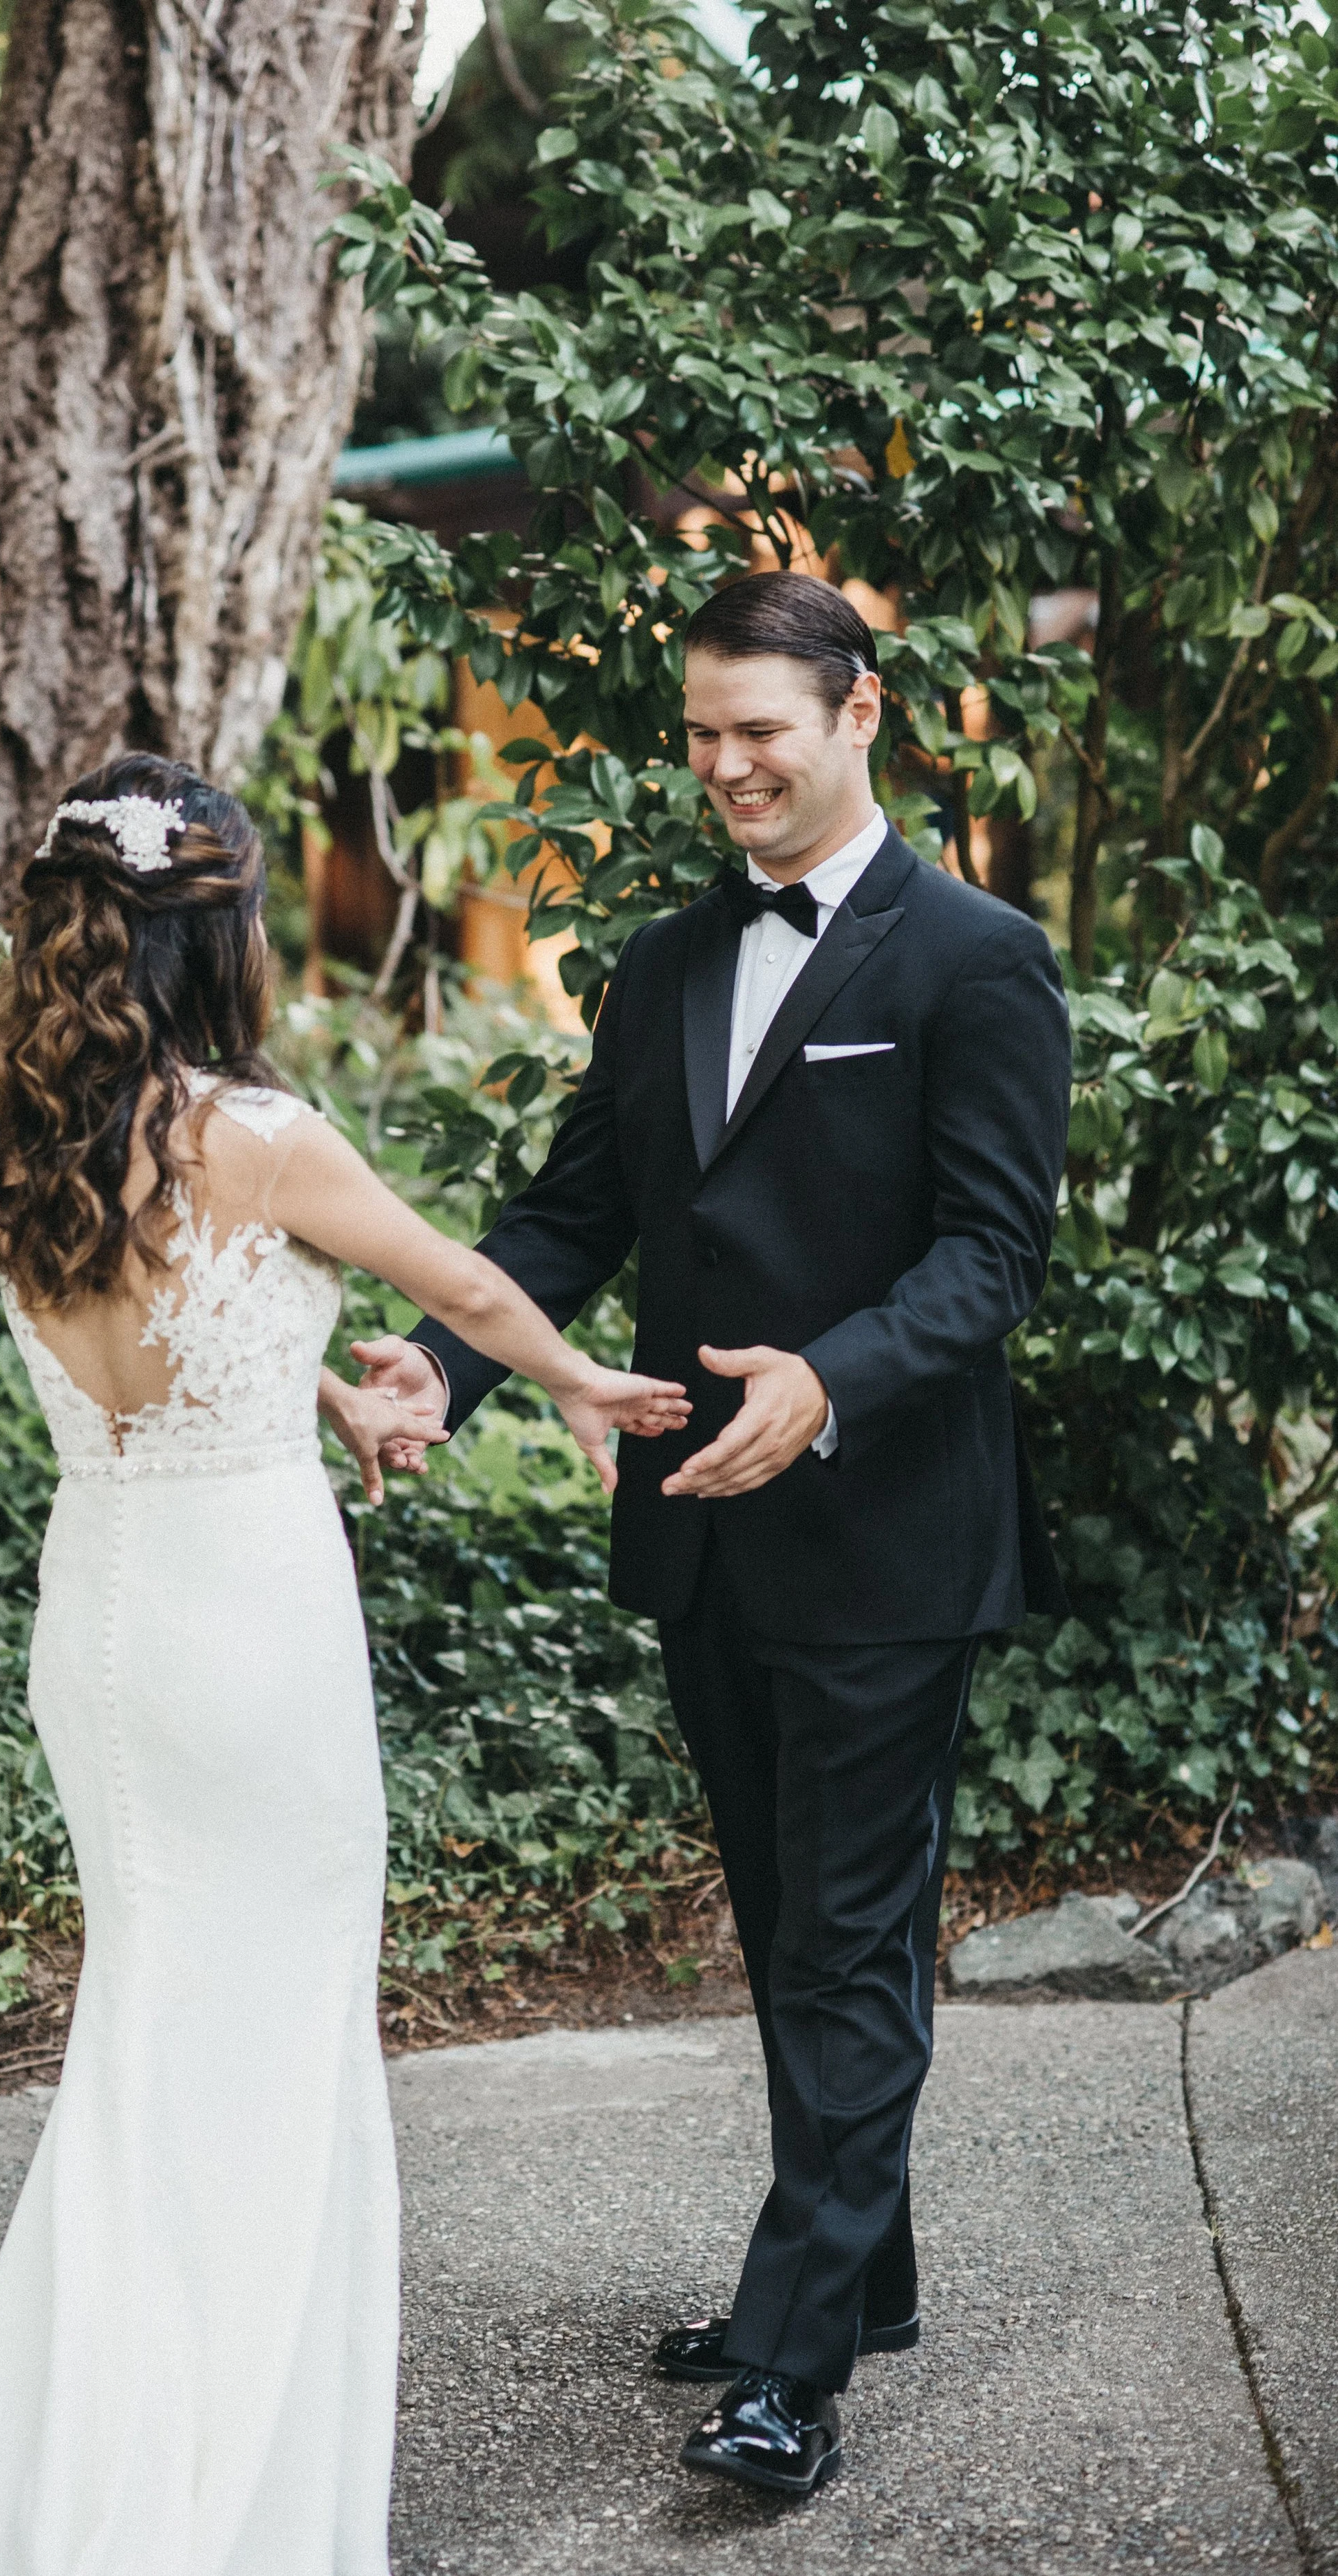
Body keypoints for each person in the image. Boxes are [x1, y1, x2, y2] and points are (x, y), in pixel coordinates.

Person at [0, 753, 687, 2576]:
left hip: (106, 1617)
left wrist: (302, 1379)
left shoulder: (31, 1124)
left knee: (151, 2030)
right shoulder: (259, 1135)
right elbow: (458, 1288)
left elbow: (146, 1343)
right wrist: (582, 1385)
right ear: (218, 927)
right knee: (272, 2039)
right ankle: (228, 2500)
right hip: (249, 1622)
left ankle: (112, 2445)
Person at [358, 571, 1072, 2499]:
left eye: (760, 728)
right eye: (700, 734)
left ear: (858, 717)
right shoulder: (662, 963)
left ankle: (794, 2368)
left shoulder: (974, 959)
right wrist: (441, 1367)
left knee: (842, 1943)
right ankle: (864, 2268)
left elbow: (991, 1256)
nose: (726, 766)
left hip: (884, 1536)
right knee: (783, 1926)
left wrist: (824, 1381)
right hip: (695, 1535)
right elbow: (565, 1217)